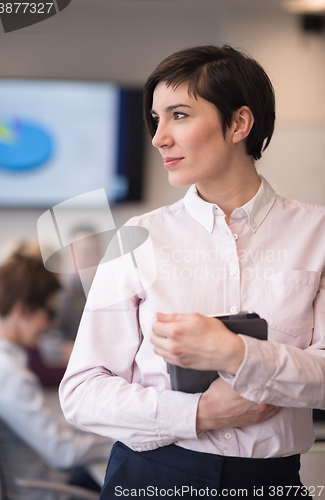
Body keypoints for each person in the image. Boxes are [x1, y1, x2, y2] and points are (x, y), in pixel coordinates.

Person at [59, 45, 325, 498]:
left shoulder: (316, 233)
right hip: (149, 477)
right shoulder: (136, 238)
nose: (159, 137)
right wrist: (199, 413)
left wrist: (236, 355)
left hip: (269, 484)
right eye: (156, 119)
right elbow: (82, 392)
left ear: (239, 123)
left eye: (178, 115)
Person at [0, 252, 113, 500]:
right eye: (49, 314)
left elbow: (51, 428)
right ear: (21, 311)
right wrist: (119, 440)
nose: (50, 325)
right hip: (45, 493)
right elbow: (63, 452)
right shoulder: (5, 371)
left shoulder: (4, 361)